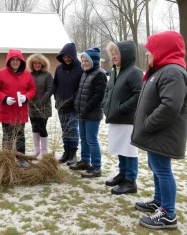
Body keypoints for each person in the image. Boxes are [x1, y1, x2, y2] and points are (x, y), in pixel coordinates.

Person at [131, 31, 187, 230]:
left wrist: (149, 124)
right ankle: (159, 202)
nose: (147, 54)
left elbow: (171, 106)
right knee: (156, 168)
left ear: (163, 50)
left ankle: (168, 214)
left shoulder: (173, 71)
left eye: (150, 50)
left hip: (163, 133)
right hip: (156, 133)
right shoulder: (162, 70)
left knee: (163, 170)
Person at [103, 40, 143, 194]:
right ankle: (123, 174)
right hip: (115, 118)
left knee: (129, 150)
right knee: (120, 147)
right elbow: (108, 91)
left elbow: (139, 94)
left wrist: (121, 108)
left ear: (125, 55)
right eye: (112, 54)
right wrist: (106, 104)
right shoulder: (115, 71)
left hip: (127, 120)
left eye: (116, 53)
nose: (113, 56)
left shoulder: (134, 72)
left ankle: (131, 181)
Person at [0, 49, 36, 167]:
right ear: (9, 61)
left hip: (21, 112)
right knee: (7, 137)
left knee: (20, 136)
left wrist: (26, 97)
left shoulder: (27, 74)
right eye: (13, 60)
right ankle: (6, 159)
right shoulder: (1, 73)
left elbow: (32, 89)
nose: (15, 62)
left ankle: (21, 158)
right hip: (7, 112)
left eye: (17, 60)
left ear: (21, 61)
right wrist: (4, 98)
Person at [71, 48, 107, 178]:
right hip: (82, 113)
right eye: (83, 60)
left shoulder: (99, 74)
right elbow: (80, 91)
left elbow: (99, 95)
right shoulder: (85, 73)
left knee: (92, 140)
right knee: (84, 139)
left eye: (87, 60)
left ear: (94, 61)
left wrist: (86, 108)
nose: (84, 63)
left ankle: (96, 167)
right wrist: (76, 102)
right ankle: (85, 161)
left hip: (92, 114)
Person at [54, 43, 83, 166]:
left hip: (73, 106)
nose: (66, 59)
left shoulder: (79, 68)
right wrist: (57, 97)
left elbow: (81, 87)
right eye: (64, 56)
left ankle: (73, 153)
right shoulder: (59, 69)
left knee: (72, 129)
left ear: (73, 56)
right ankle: (66, 152)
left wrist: (73, 98)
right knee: (64, 129)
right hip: (61, 105)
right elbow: (55, 85)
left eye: (69, 56)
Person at [26, 53, 54, 159]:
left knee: (42, 128)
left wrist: (41, 101)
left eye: (39, 63)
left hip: (43, 107)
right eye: (35, 63)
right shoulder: (29, 75)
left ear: (43, 64)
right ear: (32, 64)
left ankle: (44, 151)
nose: (37, 65)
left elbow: (50, 89)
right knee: (34, 128)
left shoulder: (47, 75)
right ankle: (36, 150)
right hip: (31, 106)